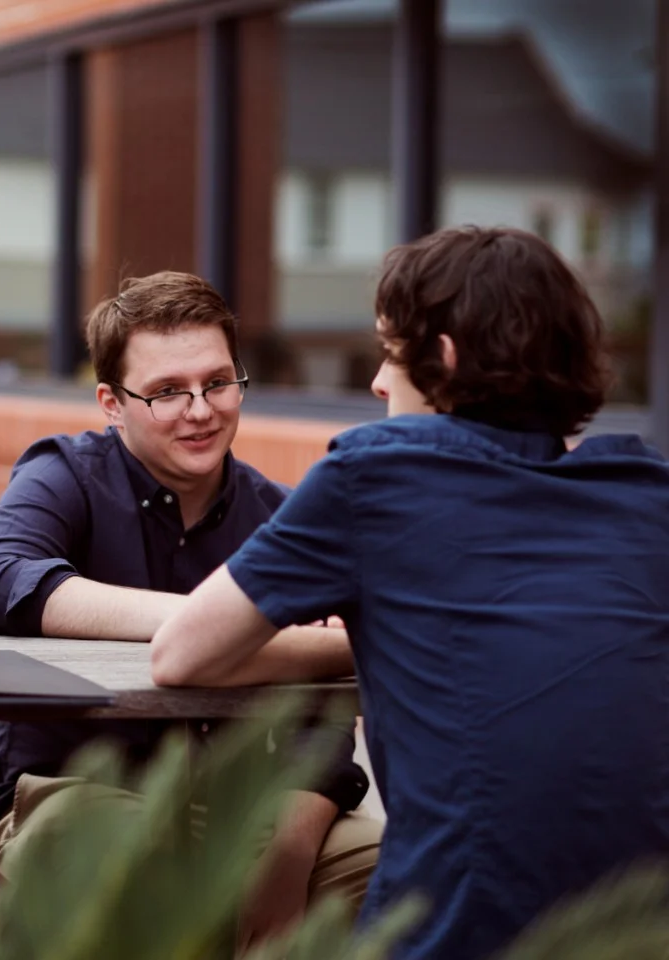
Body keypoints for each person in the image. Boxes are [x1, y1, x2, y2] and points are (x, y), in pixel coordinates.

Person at [151, 227, 669, 959]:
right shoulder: (645, 494)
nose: (378, 382)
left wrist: (347, 645)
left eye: (391, 353)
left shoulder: (378, 476)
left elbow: (181, 654)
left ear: (446, 358)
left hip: (455, 929)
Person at [0, 271, 380, 943]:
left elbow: (320, 720)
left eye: (217, 382)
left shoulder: (279, 514)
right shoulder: (64, 473)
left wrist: (291, 857)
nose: (201, 409)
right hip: (70, 797)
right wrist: (205, 624)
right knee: (126, 856)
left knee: (395, 867)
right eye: (165, 392)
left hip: (238, 810)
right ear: (110, 402)